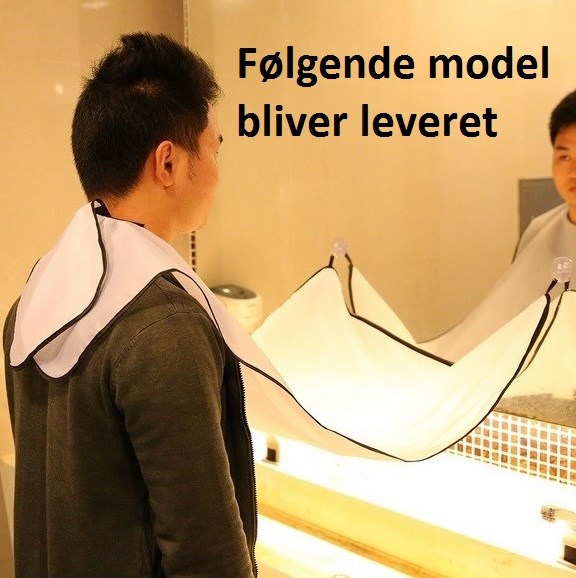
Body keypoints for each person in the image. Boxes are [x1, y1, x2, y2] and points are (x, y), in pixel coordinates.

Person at [3, 33, 258, 577]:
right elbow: (206, 555)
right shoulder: (164, 327)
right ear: (168, 163)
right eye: (214, 148)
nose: (218, 170)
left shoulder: (29, 308)